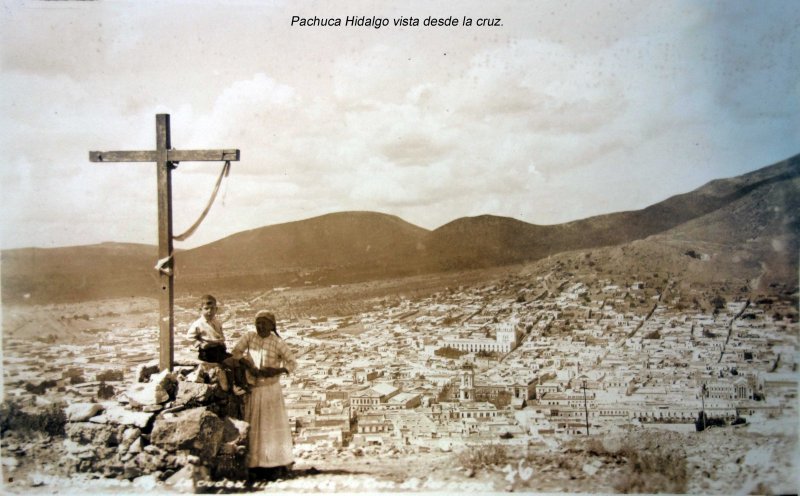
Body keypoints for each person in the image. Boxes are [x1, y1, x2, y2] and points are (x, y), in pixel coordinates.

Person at [232, 310, 297, 480]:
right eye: (257, 323)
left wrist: (277, 370)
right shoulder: (249, 337)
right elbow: (235, 352)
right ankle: (255, 465)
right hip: (255, 390)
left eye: (264, 323)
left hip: (271, 391)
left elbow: (292, 363)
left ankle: (276, 464)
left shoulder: (277, 343)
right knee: (255, 428)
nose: (260, 326)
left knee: (271, 428)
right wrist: (246, 363)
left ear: (272, 325)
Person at [186, 294, 247, 395]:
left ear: (216, 309)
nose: (209, 311)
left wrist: (222, 343)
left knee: (237, 361)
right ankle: (232, 387)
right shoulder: (198, 324)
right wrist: (200, 344)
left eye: (212, 308)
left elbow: (220, 334)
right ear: (200, 309)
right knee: (228, 363)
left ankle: (241, 384)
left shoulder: (216, 322)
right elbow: (189, 337)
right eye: (206, 309)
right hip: (208, 351)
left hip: (218, 349)